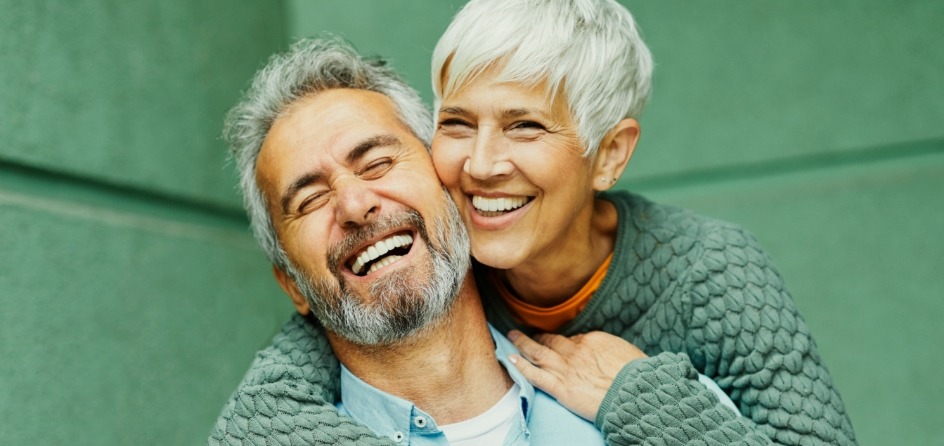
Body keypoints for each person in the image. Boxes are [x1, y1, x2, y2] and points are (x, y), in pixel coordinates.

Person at [212, 1, 857, 445]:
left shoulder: (706, 280)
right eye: (458, 124)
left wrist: (640, 399)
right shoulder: (382, 291)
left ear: (608, 154)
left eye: (525, 126)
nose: (483, 165)